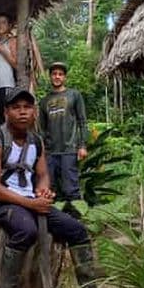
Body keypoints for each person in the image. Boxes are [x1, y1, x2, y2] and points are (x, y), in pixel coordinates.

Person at [0, 88, 99, 288]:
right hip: (2, 203)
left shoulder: (36, 141)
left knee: (76, 230)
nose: (22, 112)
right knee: (26, 230)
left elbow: (43, 173)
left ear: (35, 112)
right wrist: (30, 203)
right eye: (16, 108)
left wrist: (42, 190)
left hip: (30, 202)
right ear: (6, 112)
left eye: (27, 107)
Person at [38, 62, 89, 208]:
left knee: (71, 189)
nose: (57, 77)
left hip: (69, 150)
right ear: (50, 77)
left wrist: (82, 145)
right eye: (54, 74)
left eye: (60, 74)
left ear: (64, 77)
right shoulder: (44, 101)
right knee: (50, 190)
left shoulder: (74, 95)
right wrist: (42, 152)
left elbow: (82, 122)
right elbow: (42, 128)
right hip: (50, 152)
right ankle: (54, 224)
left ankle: (77, 222)